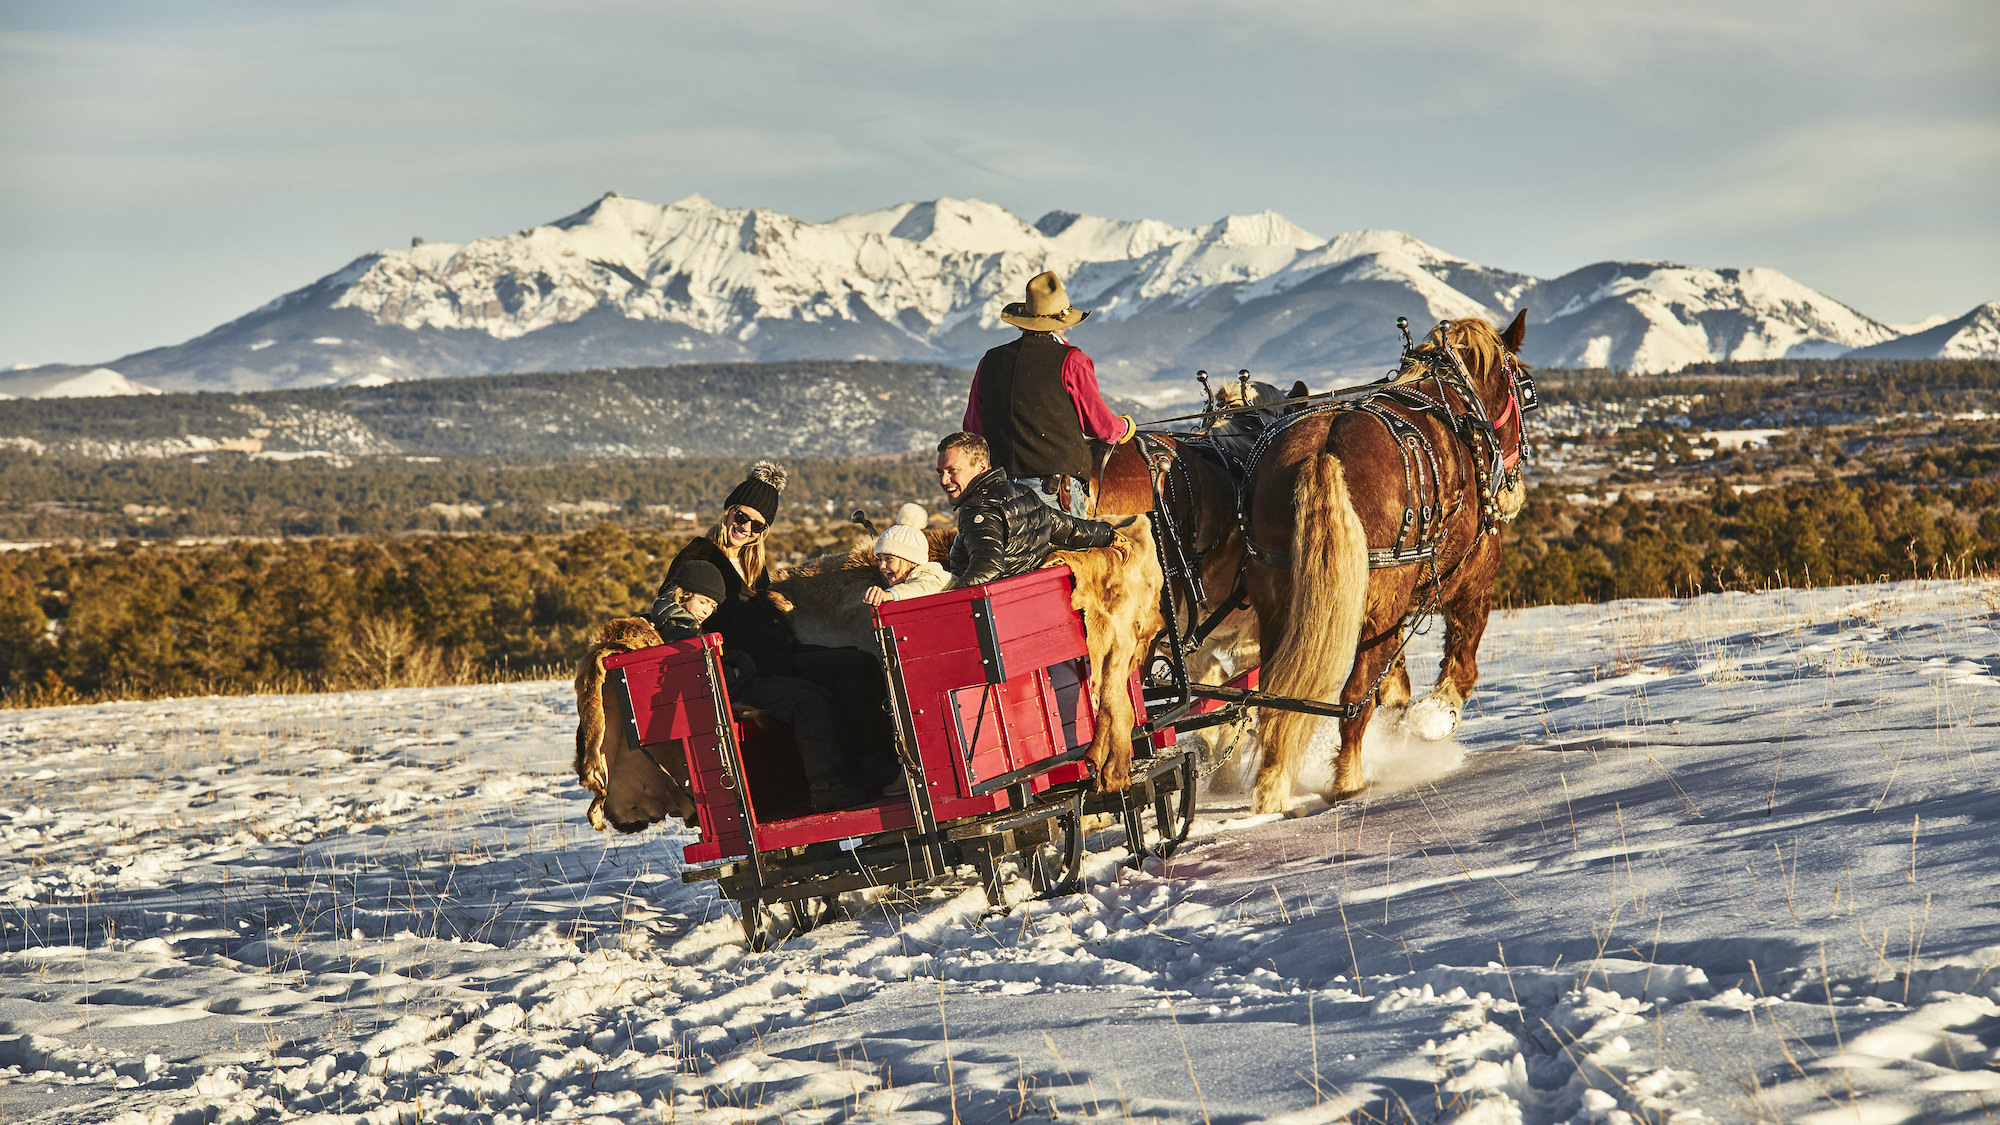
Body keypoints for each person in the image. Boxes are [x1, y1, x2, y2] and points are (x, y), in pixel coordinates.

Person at [656, 460, 897, 801]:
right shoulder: (698, 559)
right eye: (741, 516)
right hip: (740, 668)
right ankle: (828, 786)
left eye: (757, 525)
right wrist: (718, 661)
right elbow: (673, 607)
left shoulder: (753, 563)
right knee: (813, 698)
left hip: (777, 656)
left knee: (857, 664)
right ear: (728, 511)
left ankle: (875, 766)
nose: (745, 528)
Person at [962, 270, 1136, 513]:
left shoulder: (989, 361)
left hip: (996, 490)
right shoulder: (1072, 361)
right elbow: (1100, 427)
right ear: (1062, 326)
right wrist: (1124, 427)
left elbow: (972, 428)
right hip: (1051, 493)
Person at [936, 431, 1118, 590]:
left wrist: (948, 597)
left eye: (953, 470)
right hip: (1033, 595)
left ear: (981, 466)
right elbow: (1071, 530)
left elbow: (988, 568)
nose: (944, 480)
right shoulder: (1024, 494)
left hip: (1000, 606)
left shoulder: (978, 510)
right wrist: (1112, 535)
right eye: (940, 472)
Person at [861, 503, 949, 606]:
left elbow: (921, 588)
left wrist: (890, 594)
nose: (881, 566)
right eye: (880, 559)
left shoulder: (931, 575)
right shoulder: (908, 580)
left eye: (889, 559)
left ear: (911, 560)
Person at [648, 560, 726, 641]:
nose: (707, 611)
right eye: (702, 602)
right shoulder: (678, 631)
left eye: (713, 606)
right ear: (682, 596)